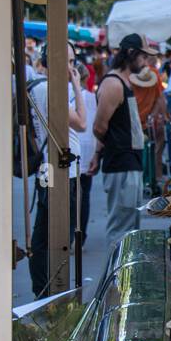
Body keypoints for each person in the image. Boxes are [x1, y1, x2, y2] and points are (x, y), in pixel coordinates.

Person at [27, 42, 87, 299]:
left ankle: (45, 290)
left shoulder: (41, 88)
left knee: (44, 235)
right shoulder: (50, 89)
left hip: (52, 169)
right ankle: (51, 292)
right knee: (56, 237)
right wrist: (77, 86)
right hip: (62, 173)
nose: (73, 68)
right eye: (70, 62)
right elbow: (82, 123)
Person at [94, 36, 149, 238]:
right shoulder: (113, 84)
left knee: (130, 229)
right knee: (121, 231)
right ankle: (113, 271)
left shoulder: (123, 82)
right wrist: (102, 150)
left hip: (129, 162)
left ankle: (123, 270)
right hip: (121, 164)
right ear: (131, 53)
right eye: (143, 56)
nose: (145, 62)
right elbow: (99, 126)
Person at [129, 41, 168, 191]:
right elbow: (160, 98)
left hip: (136, 120)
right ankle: (153, 179)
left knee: (144, 152)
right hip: (147, 121)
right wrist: (160, 116)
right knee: (154, 151)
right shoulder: (153, 75)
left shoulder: (134, 75)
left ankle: (143, 180)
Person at [73, 63, 99, 242]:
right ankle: (81, 236)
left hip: (73, 147)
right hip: (89, 147)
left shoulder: (69, 97)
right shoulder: (92, 97)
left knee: (72, 195)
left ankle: (71, 234)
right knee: (85, 195)